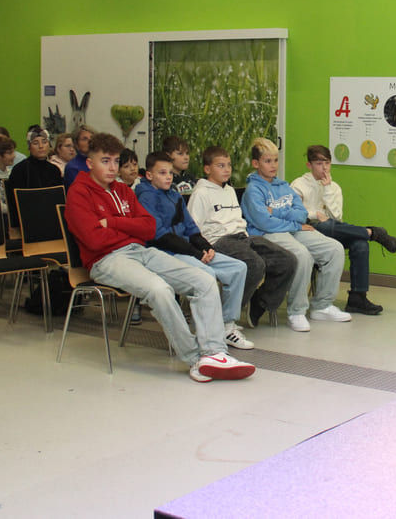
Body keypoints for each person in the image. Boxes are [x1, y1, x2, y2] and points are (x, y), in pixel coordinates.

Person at [64, 133, 254, 382]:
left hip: (141, 251)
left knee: (204, 279)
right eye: (105, 161)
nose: (112, 168)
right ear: (90, 163)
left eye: (116, 161)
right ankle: (195, 359)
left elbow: (149, 228)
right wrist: (130, 227)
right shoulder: (78, 194)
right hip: (106, 260)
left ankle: (214, 352)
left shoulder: (123, 190)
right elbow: (94, 240)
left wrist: (111, 222)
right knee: (159, 289)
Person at [136, 152, 253, 349]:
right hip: (165, 253)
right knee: (205, 274)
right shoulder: (145, 197)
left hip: (187, 249)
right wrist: (196, 253)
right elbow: (160, 236)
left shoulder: (175, 195)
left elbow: (191, 228)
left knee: (238, 268)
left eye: (170, 173)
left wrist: (206, 247)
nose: (168, 177)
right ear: (149, 175)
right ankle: (208, 332)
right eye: (162, 173)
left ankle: (226, 326)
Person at [241, 138, 349, 332]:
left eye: (275, 160)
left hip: (293, 229)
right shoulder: (253, 190)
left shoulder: (283, 186)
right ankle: (296, 311)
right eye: (267, 161)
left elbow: (301, 213)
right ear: (256, 164)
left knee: (335, 248)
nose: (273, 165)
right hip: (267, 234)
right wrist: (292, 220)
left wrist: (281, 215)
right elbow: (264, 222)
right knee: (302, 254)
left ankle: (322, 306)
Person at [187, 145, 295, 328]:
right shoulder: (201, 193)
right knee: (254, 264)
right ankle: (225, 318)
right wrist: (204, 248)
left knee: (287, 260)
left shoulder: (229, 190)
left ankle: (260, 302)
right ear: (207, 169)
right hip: (218, 241)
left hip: (242, 237)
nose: (227, 169)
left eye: (229, 165)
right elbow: (192, 228)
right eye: (220, 166)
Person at [291, 145, 396, 315]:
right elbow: (294, 213)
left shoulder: (334, 188)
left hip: (333, 230)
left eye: (327, 163)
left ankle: (358, 297)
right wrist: (316, 214)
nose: (324, 168)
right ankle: (372, 232)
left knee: (359, 243)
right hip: (308, 231)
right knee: (325, 225)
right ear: (309, 165)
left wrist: (326, 190)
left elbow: (337, 217)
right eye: (319, 163)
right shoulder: (298, 185)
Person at [5, 128, 63, 229]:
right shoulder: (20, 170)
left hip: (52, 220)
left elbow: (59, 199)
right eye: (35, 143)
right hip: (27, 222)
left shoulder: (54, 170)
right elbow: (14, 204)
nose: (41, 146)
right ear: (29, 147)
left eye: (44, 142)